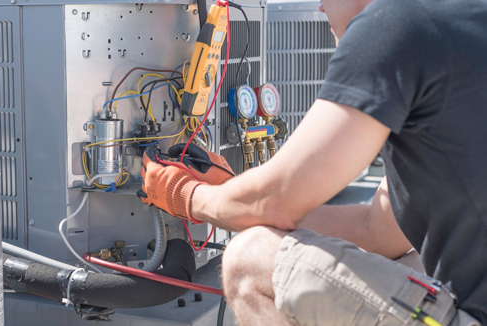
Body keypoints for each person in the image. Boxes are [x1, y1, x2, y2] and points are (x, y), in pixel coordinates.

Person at [139, 0, 487, 324]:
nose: (320, 6)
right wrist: (233, 193)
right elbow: (378, 231)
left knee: (249, 259)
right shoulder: (462, 19)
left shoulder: (394, 23)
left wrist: (186, 195)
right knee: (407, 257)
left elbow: (274, 201)